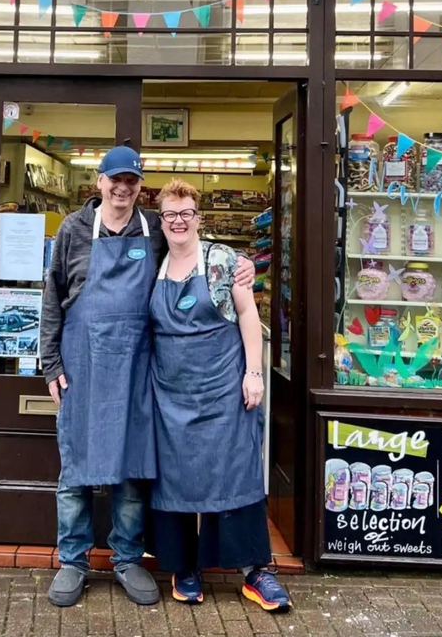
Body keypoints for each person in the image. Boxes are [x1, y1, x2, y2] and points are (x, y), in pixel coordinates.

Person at [41, 147, 254, 608]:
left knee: (133, 472)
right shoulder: (73, 231)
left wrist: (240, 265)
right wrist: (50, 364)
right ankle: (73, 561)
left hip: (139, 370)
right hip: (84, 367)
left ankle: (126, 557)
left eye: (131, 182)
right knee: (75, 469)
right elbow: (52, 294)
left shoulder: (154, 229)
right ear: (99, 182)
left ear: (140, 187)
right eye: (114, 180)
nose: (122, 188)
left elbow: (191, 244)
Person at [148, 178, 292, 613]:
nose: (178, 221)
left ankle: (254, 571)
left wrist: (253, 373)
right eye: (170, 214)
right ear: (161, 220)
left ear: (198, 217)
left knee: (234, 475)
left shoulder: (223, 259)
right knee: (173, 481)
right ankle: (183, 567)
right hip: (169, 395)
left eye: (186, 213)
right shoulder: (151, 262)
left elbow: (248, 315)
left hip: (223, 389)